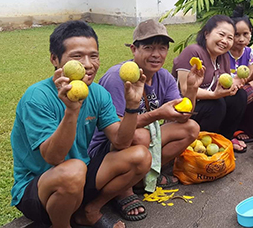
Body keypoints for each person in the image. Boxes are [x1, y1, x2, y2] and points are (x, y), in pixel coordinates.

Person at [11, 20, 152, 228]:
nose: (88, 64)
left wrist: (132, 106)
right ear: (55, 59)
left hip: (80, 176)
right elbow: (54, 157)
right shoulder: (37, 97)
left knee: (140, 156)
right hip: (39, 188)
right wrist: (71, 110)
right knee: (73, 170)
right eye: (77, 56)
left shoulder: (98, 93)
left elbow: (121, 142)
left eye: (93, 56)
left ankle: (89, 210)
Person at [88, 19, 201, 221]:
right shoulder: (118, 77)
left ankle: (146, 177)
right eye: (148, 47)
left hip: (143, 141)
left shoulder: (164, 77)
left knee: (191, 128)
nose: (156, 54)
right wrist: (158, 114)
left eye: (162, 48)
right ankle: (124, 190)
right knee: (139, 135)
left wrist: (191, 89)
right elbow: (119, 134)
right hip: (108, 149)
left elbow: (183, 118)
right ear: (134, 49)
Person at [172, 15, 248, 152]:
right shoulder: (193, 52)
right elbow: (184, 90)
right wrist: (214, 95)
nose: (225, 41)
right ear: (207, 34)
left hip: (209, 104)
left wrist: (233, 86)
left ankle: (224, 138)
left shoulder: (223, 56)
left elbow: (223, 84)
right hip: (184, 110)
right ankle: (202, 143)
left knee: (240, 96)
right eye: (221, 34)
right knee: (216, 104)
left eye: (230, 38)